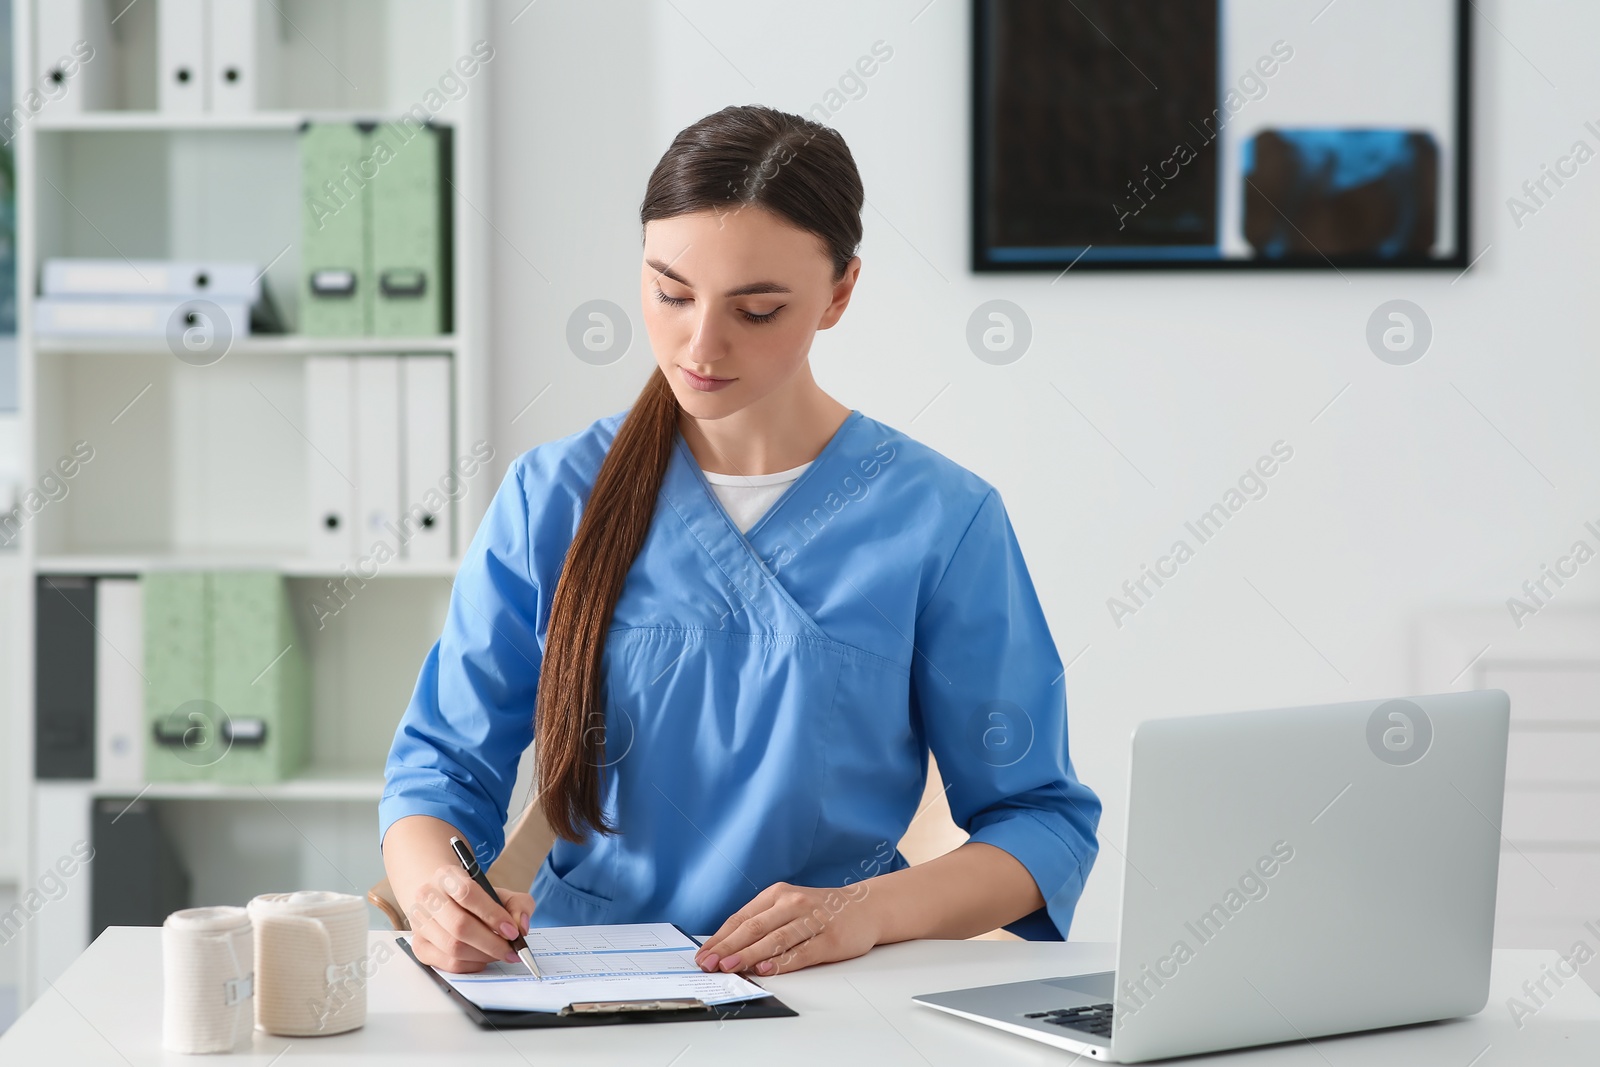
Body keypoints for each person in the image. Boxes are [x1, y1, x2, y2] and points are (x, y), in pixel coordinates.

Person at [380, 104, 1100, 979]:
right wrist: (436, 895)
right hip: (586, 996)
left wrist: (862, 913)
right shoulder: (554, 496)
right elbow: (439, 771)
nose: (700, 344)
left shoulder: (939, 519)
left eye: (756, 310)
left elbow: (1042, 824)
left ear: (839, 295)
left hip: (834, 998)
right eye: (670, 293)